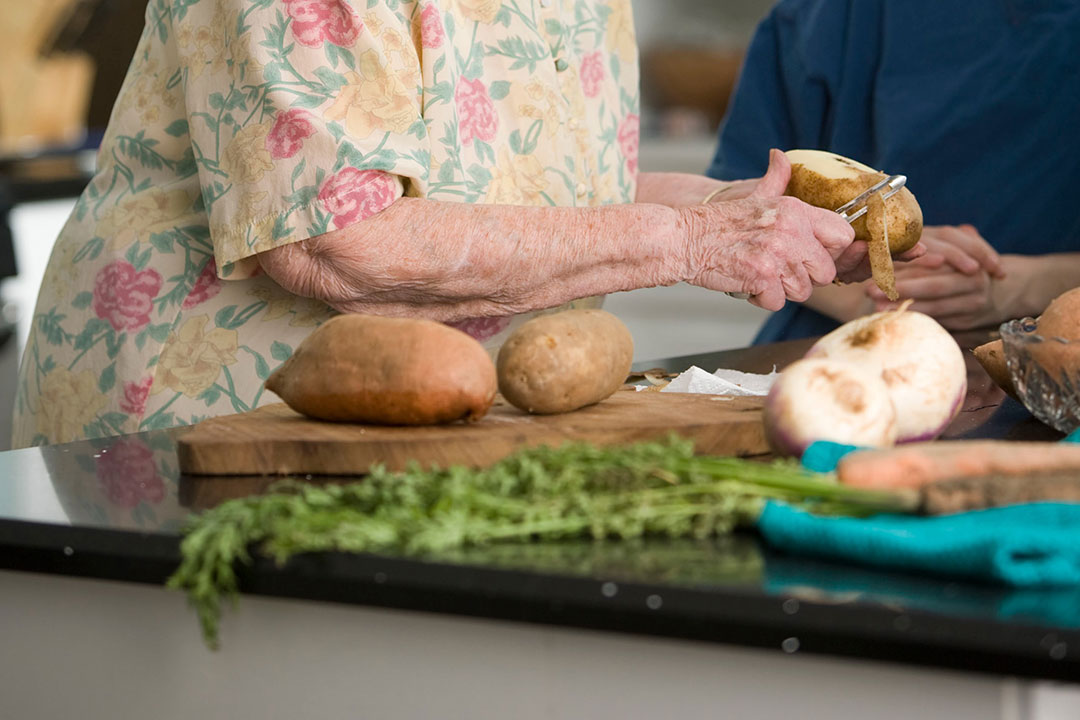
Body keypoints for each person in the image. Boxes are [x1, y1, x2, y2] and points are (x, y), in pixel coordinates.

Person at [13, 0, 877, 448]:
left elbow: (541, 189)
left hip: (446, 429)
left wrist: (720, 212)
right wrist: (681, 242)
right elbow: (341, 243)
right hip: (195, 435)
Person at [708, 0, 1080, 344]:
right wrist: (860, 293)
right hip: (837, 345)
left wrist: (1016, 286)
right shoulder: (828, 15)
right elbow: (729, 209)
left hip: (1052, 352)